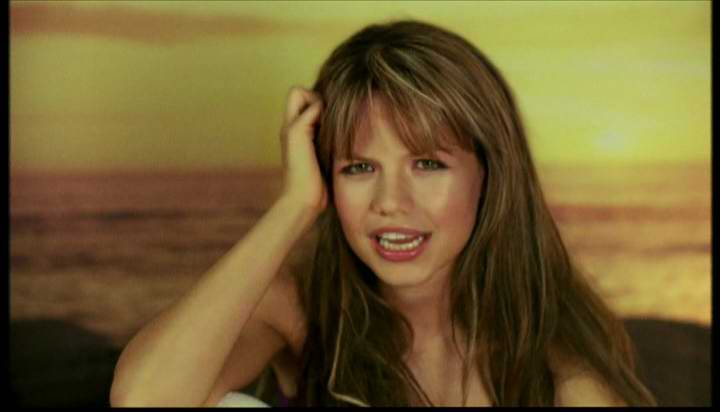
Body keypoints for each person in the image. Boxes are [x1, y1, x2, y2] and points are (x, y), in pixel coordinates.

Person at [109, 20, 657, 407]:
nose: (390, 201)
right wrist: (295, 205)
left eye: (427, 163)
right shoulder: (300, 307)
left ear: (491, 171)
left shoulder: (558, 349)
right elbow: (144, 400)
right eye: (358, 168)